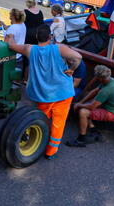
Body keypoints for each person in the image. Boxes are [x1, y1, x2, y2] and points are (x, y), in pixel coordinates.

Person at [6, 24, 82, 159]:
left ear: (36, 37)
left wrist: (10, 36)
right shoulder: (59, 48)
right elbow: (78, 57)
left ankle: (35, 144)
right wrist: (72, 69)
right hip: (63, 94)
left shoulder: (30, 49)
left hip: (42, 95)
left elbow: (11, 45)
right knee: (58, 123)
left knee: (40, 121)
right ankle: (50, 152)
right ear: (50, 37)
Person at [70, 65, 114, 148]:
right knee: (85, 105)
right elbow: (95, 91)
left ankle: (81, 139)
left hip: (113, 113)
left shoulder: (106, 90)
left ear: (100, 78)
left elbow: (91, 107)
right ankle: (93, 129)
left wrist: (78, 105)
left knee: (83, 112)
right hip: (109, 107)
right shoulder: (111, 80)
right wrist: (81, 102)